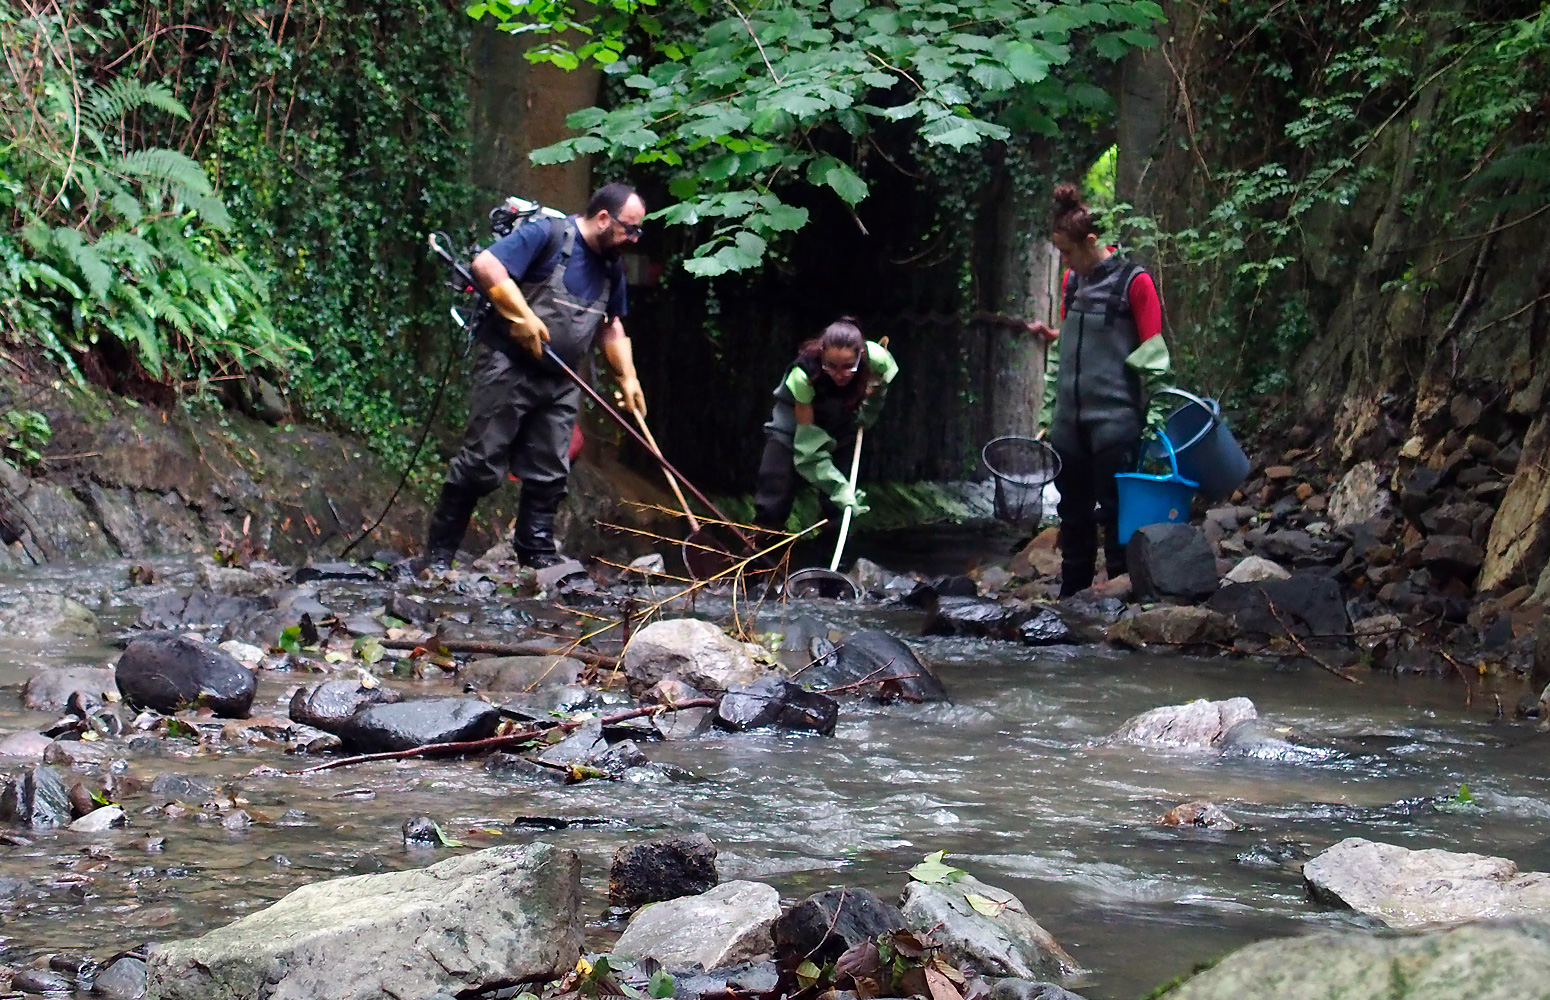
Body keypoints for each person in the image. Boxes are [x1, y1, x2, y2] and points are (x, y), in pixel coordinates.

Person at [421, 182, 648, 569]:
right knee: (481, 462)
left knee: (550, 469)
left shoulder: (613, 266)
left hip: (561, 379)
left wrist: (627, 377)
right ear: (604, 218)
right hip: (507, 365)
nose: (634, 237)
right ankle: (439, 556)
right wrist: (522, 316)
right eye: (630, 228)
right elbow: (487, 265)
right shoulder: (549, 235)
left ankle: (536, 553)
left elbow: (612, 324)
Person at [1027, 183, 1172, 598]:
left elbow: (1154, 355)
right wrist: (1048, 413)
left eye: (1068, 252)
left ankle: (1122, 594)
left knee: (1114, 510)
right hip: (1069, 423)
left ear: (1092, 241)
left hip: (1116, 420)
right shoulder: (1073, 282)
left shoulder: (1135, 282)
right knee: (1072, 513)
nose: (1064, 262)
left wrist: (1156, 416)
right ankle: (1073, 597)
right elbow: (1063, 351)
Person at [754, 318, 898, 534]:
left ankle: (833, 560)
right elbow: (808, 455)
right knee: (774, 494)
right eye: (831, 366)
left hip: (841, 425)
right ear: (822, 354)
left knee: (838, 511)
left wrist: (868, 413)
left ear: (861, 355)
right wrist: (837, 487)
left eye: (848, 366)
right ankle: (762, 555)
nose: (840, 374)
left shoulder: (877, 360)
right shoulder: (803, 375)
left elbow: (879, 389)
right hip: (795, 426)